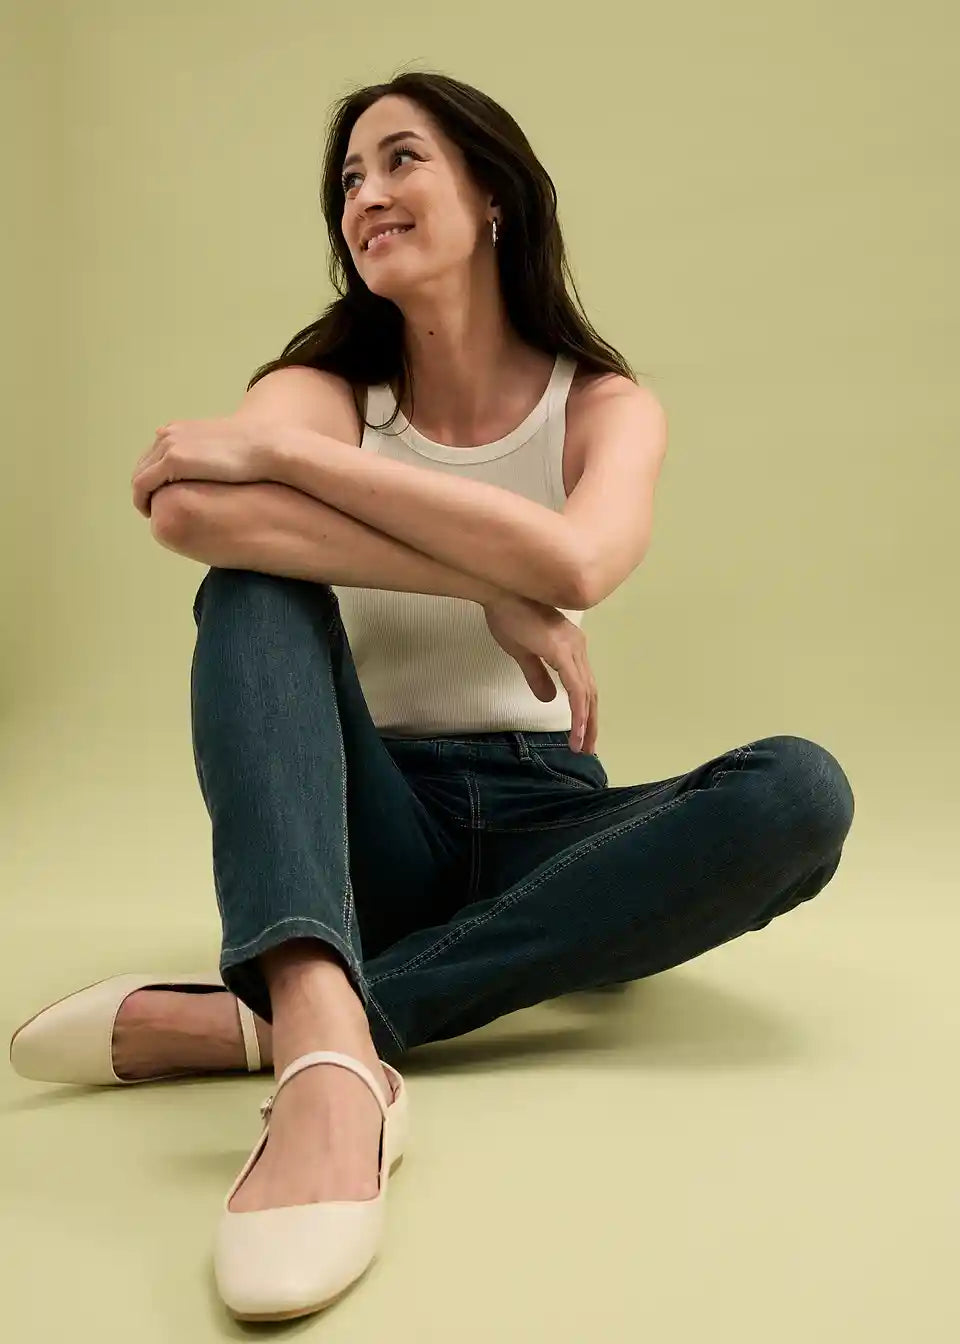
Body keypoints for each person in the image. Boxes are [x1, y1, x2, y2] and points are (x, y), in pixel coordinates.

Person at [9, 72, 855, 1323]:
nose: (367, 195)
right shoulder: (327, 391)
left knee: (799, 794)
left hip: (549, 833)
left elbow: (579, 564)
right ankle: (325, 1052)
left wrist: (285, 462)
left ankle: (291, 1027)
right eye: (349, 180)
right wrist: (485, 584)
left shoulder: (602, 405)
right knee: (251, 592)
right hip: (371, 821)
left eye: (401, 160)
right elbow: (189, 510)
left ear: (494, 196)